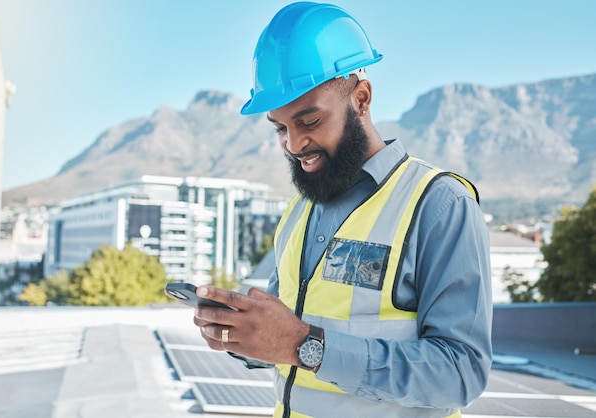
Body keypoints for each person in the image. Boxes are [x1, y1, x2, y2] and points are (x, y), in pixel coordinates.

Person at [193, 2, 492, 417]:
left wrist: (305, 346)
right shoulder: (299, 212)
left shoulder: (440, 204)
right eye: (281, 128)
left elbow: (462, 374)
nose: (294, 145)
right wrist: (245, 336)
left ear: (362, 99)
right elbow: (286, 343)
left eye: (309, 122)